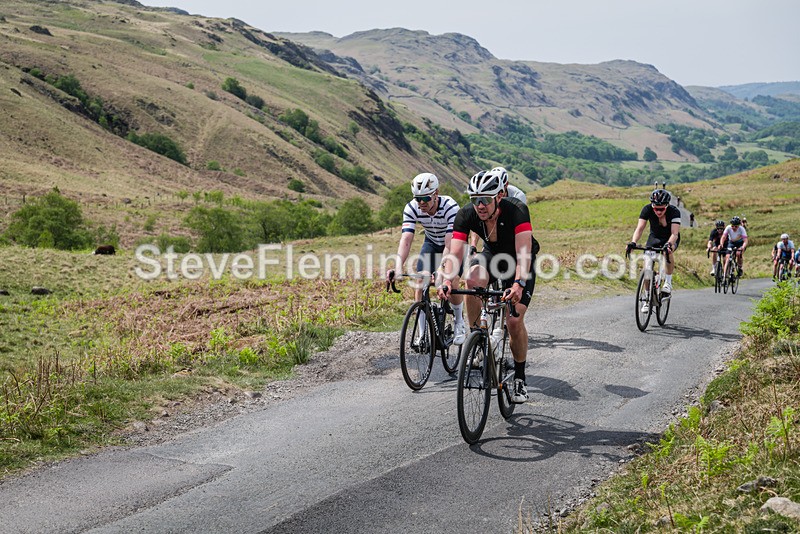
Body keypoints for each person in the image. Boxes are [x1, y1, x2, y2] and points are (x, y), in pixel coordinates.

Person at [437, 169, 537, 403]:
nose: (480, 206)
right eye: (475, 200)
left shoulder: (517, 210)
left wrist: (518, 284)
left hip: (519, 260)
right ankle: (478, 338)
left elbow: (524, 254)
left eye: (485, 199)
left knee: (513, 321)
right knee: (471, 280)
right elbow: (455, 253)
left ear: (499, 196)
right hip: (492, 255)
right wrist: (447, 280)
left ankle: (520, 378)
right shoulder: (466, 214)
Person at [387, 172, 466, 344]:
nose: (421, 203)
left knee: (451, 280)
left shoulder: (450, 207)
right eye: (418, 199)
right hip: (431, 242)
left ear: (436, 193)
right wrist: (398, 266)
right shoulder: (411, 208)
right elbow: (406, 239)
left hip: (452, 245)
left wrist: (441, 270)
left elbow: (449, 244)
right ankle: (422, 335)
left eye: (425, 198)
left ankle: (459, 321)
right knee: (420, 280)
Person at [626, 188, 681, 313]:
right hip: (654, 237)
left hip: (670, 237)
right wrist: (633, 242)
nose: (658, 211)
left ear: (667, 205)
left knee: (668, 251)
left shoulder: (674, 211)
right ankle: (646, 298)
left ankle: (668, 282)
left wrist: (669, 244)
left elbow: (675, 233)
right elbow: (640, 228)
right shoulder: (647, 209)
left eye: (662, 209)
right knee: (647, 269)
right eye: (656, 209)